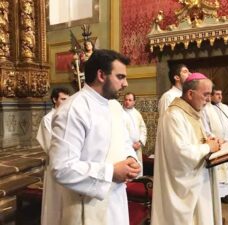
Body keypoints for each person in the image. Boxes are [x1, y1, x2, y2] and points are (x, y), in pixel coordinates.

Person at [49, 49, 141, 225]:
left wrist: (130, 158)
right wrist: (111, 172)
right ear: (101, 75)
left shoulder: (114, 106)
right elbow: (61, 169)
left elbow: (123, 142)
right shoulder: (73, 110)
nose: (125, 84)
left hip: (115, 199)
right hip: (86, 206)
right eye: (120, 77)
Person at [151, 73, 222, 225]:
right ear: (190, 94)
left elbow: (193, 141)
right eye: (206, 94)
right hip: (184, 188)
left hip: (199, 182)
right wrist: (207, 146)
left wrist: (207, 141)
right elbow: (180, 153)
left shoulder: (191, 112)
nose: (209, 100)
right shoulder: (173, 116)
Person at [36, 87, 70, 225]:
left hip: (70, 166)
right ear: (54, 99)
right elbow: (50, 146)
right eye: (63, 99)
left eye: (68, 99)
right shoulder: (47, 120)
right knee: (54, 203)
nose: (66, 102)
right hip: (56, 166)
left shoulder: (70, 117)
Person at [202, 88, 228, 203]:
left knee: (226, 171)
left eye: (221, 94)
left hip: (226, 144)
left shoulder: (226, 108)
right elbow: (205, 129)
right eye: (217, 94)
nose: (220, 96)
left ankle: (226, 194)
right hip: (215, 145)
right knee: (217, 171)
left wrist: (227, 139)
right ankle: (216, 194)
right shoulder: (205, 109)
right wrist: (216, 140)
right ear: (211, 96)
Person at [123, 92, 147, 175]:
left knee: (138, 172)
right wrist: (130, 145)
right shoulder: (120, 113)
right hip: (126, 148)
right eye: (126, 99)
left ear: (134, 102)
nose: (127, 102)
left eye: (130, 100)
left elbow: (143, 128)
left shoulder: (137, 113)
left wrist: (140, 142)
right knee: (129, 172)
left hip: (137, 147)